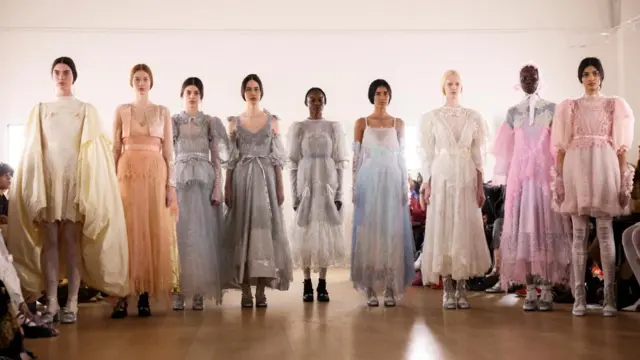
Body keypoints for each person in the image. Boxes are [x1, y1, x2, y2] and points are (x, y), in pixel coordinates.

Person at [6, 56, 129, 325]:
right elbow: (31, 148)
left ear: (74, 76)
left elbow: (94, 150)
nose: (61, 76)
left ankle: (72, 301)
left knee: (72, 242)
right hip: (49, 180)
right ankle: (51, 300)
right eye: (57, 72)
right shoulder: (40, 109)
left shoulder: (85, 109)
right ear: (52, 76)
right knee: (50, 241)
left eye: (66, 72)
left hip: (74, 180)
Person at [550, 57, 635, 317]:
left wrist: (622, 179)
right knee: (578, 233)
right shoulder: (569, 107)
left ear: (601, 76)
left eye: (595, 73)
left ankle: (609, 295)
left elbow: (621, 148)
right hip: (577, 167)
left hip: (604, 166)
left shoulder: (614, 105)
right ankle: (579, 296)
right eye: (586, 73)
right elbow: (561, 149)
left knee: (605, 230)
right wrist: (561, 178)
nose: (590, 78)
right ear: (580, 78)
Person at [492, 64, 572, 311]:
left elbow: (560, 146)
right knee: (522, 230)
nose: (529, 81)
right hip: (522, 181)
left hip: (544, 178)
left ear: (540, 79)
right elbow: (505, 151)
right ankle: (530, 290)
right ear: (519, 80)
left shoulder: (552, 109)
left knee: (545, 227)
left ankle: (546, 288)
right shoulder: (513, 112)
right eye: (524, 78)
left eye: (533, 77)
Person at [419, 70, 492, 310]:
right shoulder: (432, 117)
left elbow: (478, 156)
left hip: (466, 179)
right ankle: (447, 288)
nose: (453, 87)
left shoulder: (473, 117)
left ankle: (462, 288)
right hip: (442, 178)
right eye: (449, 83)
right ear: (443, 87)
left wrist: (480, 187)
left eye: (457, 83)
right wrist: (427, 184)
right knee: (445, 229)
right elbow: (427, 156)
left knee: (463, 228)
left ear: (462, 87)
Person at [110, 63, 179, 318]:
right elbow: (115, 148)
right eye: (137, 78)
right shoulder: (121, 110)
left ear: (151, 82)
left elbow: (170, 151)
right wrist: (109, 183)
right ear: (132, 82)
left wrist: (170, 185)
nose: (141, 82)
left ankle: (144, 295)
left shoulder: (163, 112)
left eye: (145, 78)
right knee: (127, 231)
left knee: (150, 230)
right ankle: (121, 294)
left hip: (155, 174)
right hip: (126, 173)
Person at [222, 74, 293, 308]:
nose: (253, 92)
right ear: (243, 92)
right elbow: (231, 159)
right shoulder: (234, 122)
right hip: (242, 179)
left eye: (256, 88)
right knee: (242, 230)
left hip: (265, 181)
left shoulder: (272, 121)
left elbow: (277, 158)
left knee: (263, 232)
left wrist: (280, 186)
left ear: (261, 92)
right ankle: (245, 290)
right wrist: (227, 185)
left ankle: (261, 289)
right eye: (249, 88)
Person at [351, 79, 414, 307]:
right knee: (370, 231)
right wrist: (354, 185)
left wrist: (405, 185)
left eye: (386, 92)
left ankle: (389, 286)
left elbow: (402, 155)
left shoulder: (398, 123)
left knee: (391, 232)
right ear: (372, 95)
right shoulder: (362, 123)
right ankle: (369, 287)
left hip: (392, 178)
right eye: (378, 93)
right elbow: (356, 158)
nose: (382, 96)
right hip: (369, 180)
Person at [171, 77, 229, 310]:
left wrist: (218, 187)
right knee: (181, 234)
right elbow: (167, 153)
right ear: (182, 95)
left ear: (201, 96)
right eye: (188, 92)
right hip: (181, 180)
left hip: (204, 181)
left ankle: (198, 291)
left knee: (203, 236)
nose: (192, 96)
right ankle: (178, 290)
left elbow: (217, 158)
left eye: (196, 92)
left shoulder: (210, 122)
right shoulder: (173, 121)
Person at [287, 87, 348, 302]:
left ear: (325, 102)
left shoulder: (333, 128)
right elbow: (293, 163)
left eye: (320, 100)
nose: (316, 103)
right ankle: (306, 283)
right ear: (306, 102)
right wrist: (294, 195)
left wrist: (339, 192)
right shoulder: (299, 128)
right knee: (305, 231)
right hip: (306, 186)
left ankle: (322, 283)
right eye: (312, 100)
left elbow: (340, 162)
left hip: (327, 185)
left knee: (324, 234)